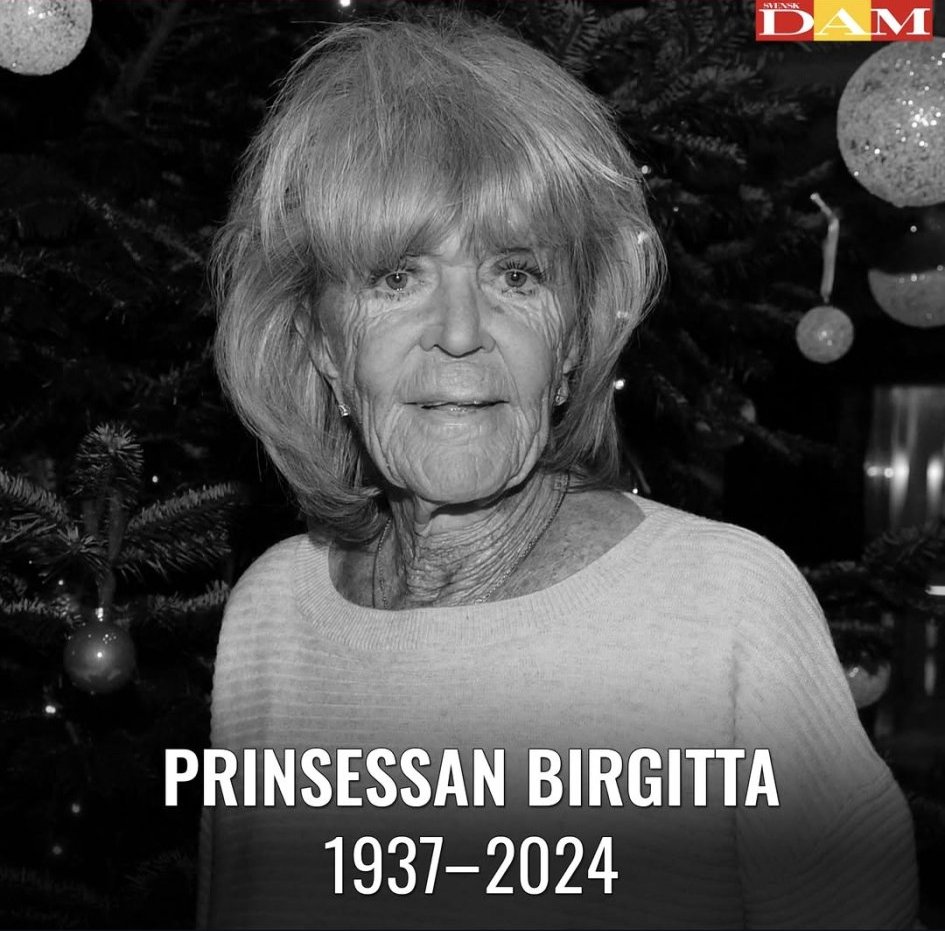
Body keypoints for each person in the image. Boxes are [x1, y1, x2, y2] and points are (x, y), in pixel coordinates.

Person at [199, 11, 917, 929]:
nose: (461, 332)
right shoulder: (268, 615)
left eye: (517, 275)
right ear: (322, 347)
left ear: (573, 342)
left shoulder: (726, 608)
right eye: (394, 277)